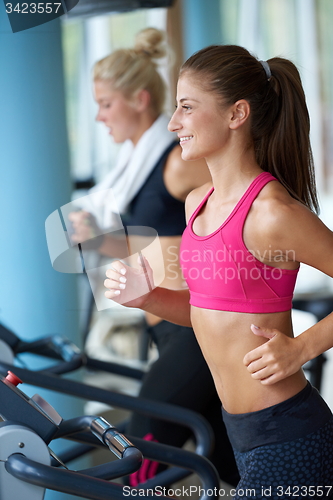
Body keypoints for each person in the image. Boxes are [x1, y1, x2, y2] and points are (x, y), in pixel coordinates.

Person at [104, 44, 333, 498]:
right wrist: (148, 297)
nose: (173, 124)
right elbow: (205, 311)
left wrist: (301, 348)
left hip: (288, 434)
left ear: (236, 114)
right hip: (241, 433)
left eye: (187, 108)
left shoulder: (271, 214)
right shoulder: (197, 204)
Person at [69, 30, 239, 486]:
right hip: (166, 328)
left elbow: (240, 200)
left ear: (139, 99)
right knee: (230, 461)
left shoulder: (178, 161)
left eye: (106, 103)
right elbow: (155, 245)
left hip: (193, 333)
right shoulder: (135, 169)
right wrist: (97, 241)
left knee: (137, 465)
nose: (100, 115)